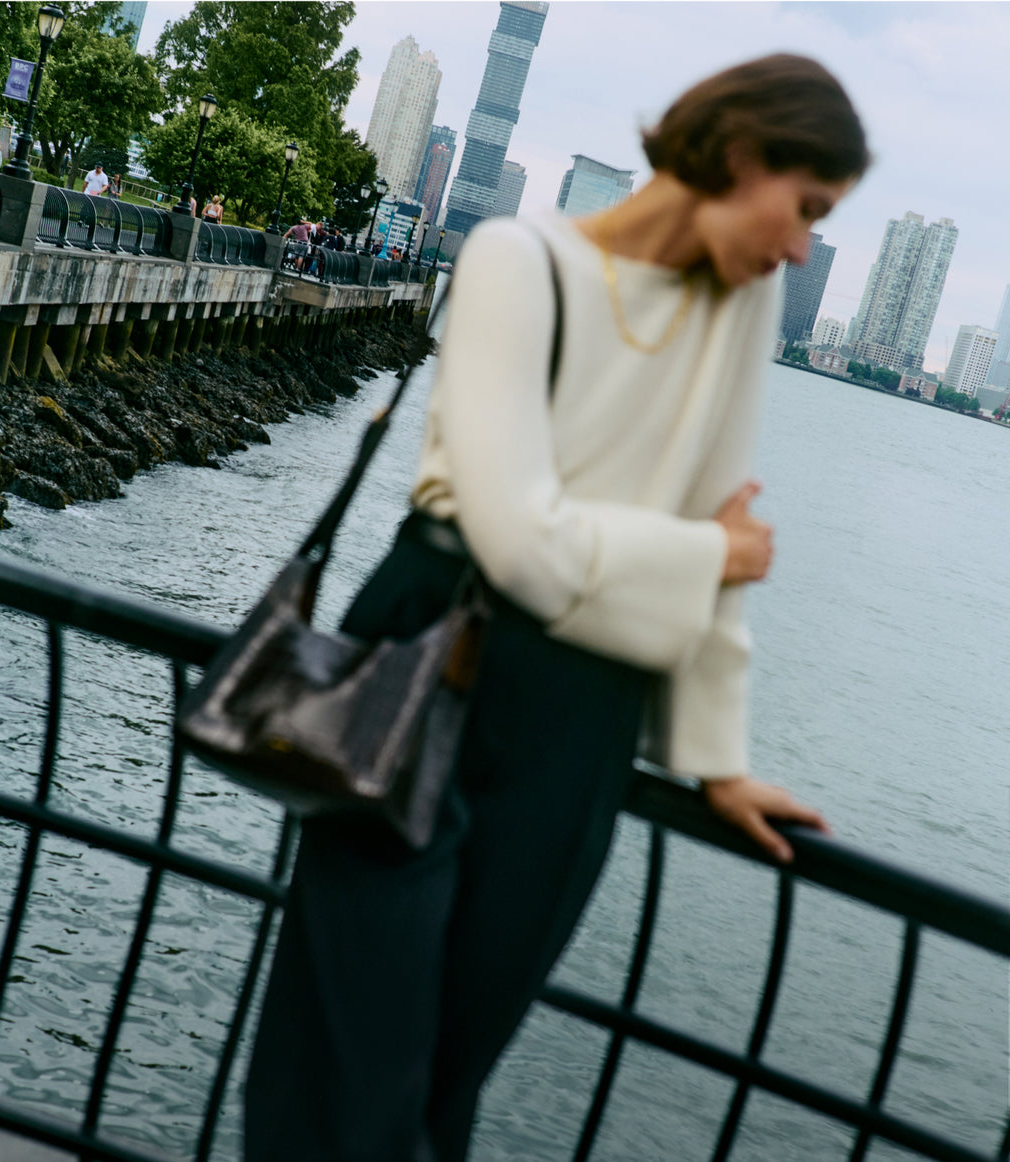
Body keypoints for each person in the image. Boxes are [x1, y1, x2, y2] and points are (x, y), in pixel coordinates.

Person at [245, 51, 869, 1162]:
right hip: (432, 653)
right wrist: (695, 551)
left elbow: (712, 543)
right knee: (351, 1063)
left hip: (587, 716)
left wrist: (715, 760)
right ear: (738, 152)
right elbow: (516, 542)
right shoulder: (514, 260)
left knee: (448, 1073)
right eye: (806, 207)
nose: (799, 247)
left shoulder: (740, 305)